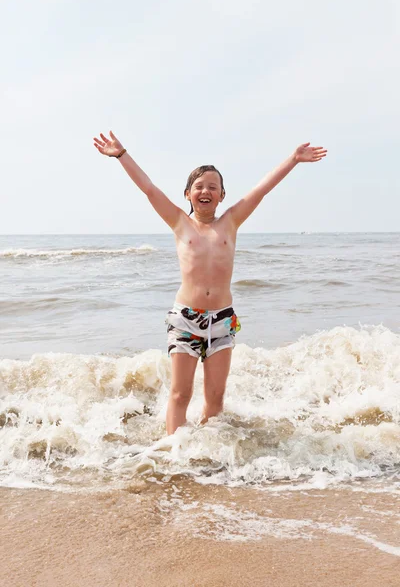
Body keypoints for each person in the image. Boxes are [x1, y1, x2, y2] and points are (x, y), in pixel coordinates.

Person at [94, 131, 327, 434]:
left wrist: (294, 159)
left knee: (215, 398)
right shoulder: (179, 222)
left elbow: (261, 190)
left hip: (222, 320)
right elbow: (149, 189)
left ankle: (207, 455)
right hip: (186, 320)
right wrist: (122, 155)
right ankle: (175, 453)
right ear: (188, 194)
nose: (206, 191)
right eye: (199, 186)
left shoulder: (231, 221)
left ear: (222, 195)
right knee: (181, 394)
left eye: (213, 187)